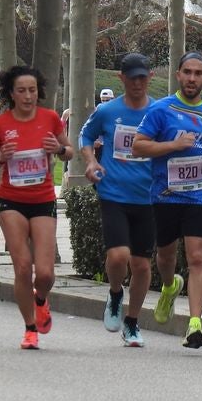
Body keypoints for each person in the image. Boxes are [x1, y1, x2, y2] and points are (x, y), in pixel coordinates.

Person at [131, 51, 202, 349]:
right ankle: (171, 286)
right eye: (187, 72)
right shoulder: (161, 110)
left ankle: (195, 323)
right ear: (178, 75)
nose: (192, 78)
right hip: (165, 195)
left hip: (200, 195)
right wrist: (174, 144)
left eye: (198, 73)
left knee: (197, 257)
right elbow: (138, 146)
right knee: (165, 256)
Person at [0, 66, 73, 349]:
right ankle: (29, 328)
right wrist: (0, 158)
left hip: (43, 199)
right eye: (21, 90)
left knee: (45, 274)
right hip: (11, 200)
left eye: (32, 90)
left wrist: (57, 149)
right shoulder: (0, 124)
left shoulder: (50, 119)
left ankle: (41, 299)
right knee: (23, 266)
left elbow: (69, 150)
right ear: (12, 93)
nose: (28, 95)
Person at [79, 52, 157, 347]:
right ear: (121, 78)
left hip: (148, 197)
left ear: (149, 78)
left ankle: (133, 322)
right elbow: (85, 137)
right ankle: (114, 294)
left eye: (142, 77)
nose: (137, 83)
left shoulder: (158, 111)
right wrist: (90, 162)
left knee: (141, 265)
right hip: (113, 192)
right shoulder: (107, 112)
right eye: (132, 77)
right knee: (118, 256)